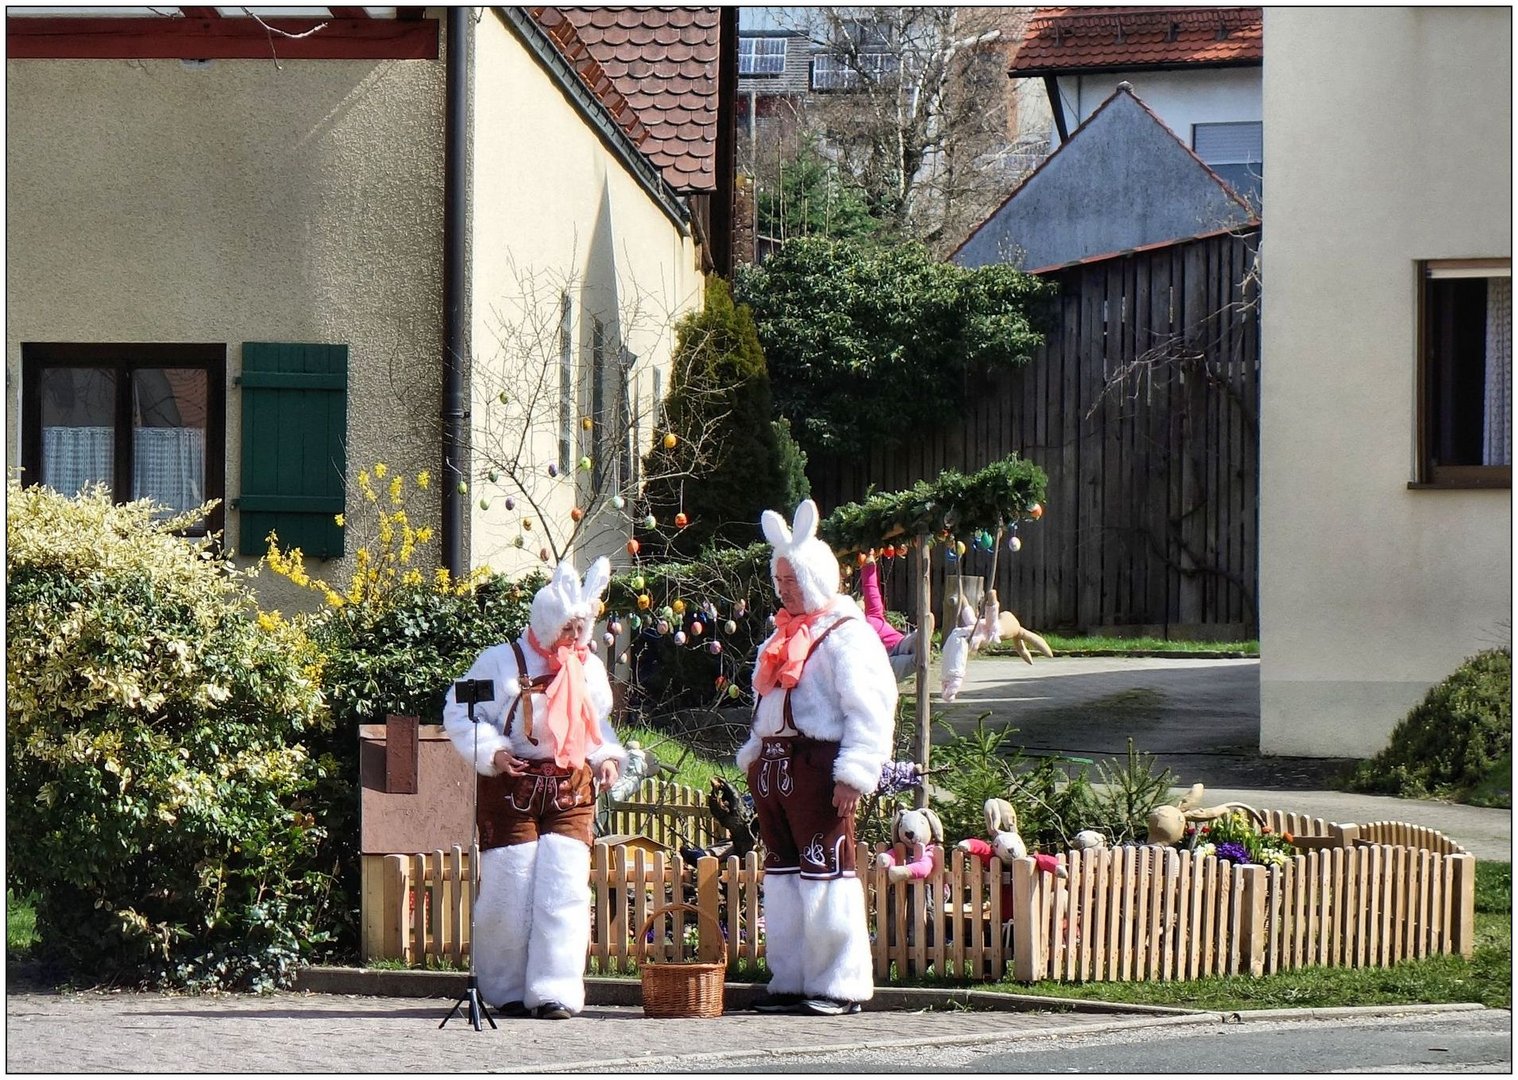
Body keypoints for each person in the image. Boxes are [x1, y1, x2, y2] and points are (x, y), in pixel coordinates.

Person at [442, 557, 625, 1020]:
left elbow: (595, 725)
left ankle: (554, 991)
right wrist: (493, 751)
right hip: (513, 787)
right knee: (509, 888)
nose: (574, 638)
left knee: (563, 889)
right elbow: (459, 712)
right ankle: (503, 988)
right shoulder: (498, 662)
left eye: (581, 629)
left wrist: (605, 759)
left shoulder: (587, 670)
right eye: (568, 628)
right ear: (548, 621)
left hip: (571, 787)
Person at [738, 500, 898, 1016]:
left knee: (827, 872)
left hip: (817, 767)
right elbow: (768, 705)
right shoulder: (780, 637)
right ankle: (791, 978)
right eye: (779, 577)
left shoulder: (846, 635)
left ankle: (838, 984)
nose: (783, 587)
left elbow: (871, 707)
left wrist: (855, 771)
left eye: (791, 577)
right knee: (783, 876)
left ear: (816, 576)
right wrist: (755, 757)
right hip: (777, 768)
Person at [857, 554, 927, 683]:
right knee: (911, 661)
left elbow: (870, 589)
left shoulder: (873, 615)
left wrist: (869, 565)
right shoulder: (850, 630)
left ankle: (922, 636)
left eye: (861, 605)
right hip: (884, 660)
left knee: (911, 642)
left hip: (899, 644)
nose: (859, 607)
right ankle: (920, 650)